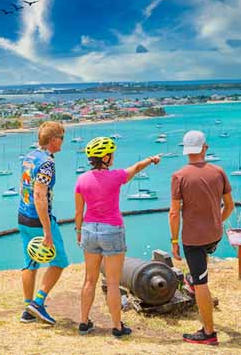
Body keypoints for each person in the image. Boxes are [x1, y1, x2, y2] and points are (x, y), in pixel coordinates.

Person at [74, 136, 160, 336]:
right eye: (111, 154)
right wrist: (151, 159)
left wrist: (79, 232)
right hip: (112, 230)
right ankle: (117, 327)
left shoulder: (82, 179)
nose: (113, 157)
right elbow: (137, 167)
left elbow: (78, 212)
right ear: (105, 157)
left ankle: (84, 323)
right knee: (113, 283)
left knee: (89, 280)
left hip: (89, 230)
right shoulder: (116, 176)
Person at [170, 130, 235, 346]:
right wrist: (218, 221)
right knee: (199, 268)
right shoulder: (219, 172)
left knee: (201, 283)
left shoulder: (179, 176)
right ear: (204, 147)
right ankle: (192, 280)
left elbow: (174, 213)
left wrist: (174, 241)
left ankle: (208, 333)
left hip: (194, 239)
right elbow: (229, 206)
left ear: (186, 151)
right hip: (213, 235)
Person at [18, 121, 68, 325]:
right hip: (39, 220)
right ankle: (38, 303)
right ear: (54, 140)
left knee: (30, 262)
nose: (63, 142)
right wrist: (47, 229)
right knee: (59, 262)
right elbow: (40, 195)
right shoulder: (47, 162)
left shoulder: (30, 156)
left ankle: (28, 309)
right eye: (62, 138)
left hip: (23, 216)